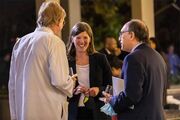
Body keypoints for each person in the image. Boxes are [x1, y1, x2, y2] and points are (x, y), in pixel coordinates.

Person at [8, 1, 76, 120]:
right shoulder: (55, 42)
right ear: (57, 20)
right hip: (48, 110)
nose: (63, 25)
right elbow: (59, 80)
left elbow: (12, 84)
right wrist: (72, 81)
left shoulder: (20, 43)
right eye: (63, 21)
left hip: (23, 111)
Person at [101, 19, 167, 120]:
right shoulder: (158, 57)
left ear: (131, 35)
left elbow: (131, 96)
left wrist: (112, 100)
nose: (119, 38)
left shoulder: (133, 58)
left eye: (121, 34)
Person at [67, 22, 112, 120]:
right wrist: (73, 90)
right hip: (73, 112)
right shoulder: (66, 61)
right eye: (78, 37)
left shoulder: (100, 58)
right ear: (72, 39)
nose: (82, 41)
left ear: (90, 39)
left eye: (85, 37)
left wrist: (98, 90)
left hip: (98, 111)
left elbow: (110, 85)